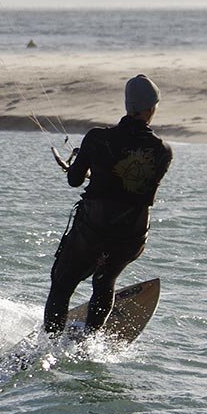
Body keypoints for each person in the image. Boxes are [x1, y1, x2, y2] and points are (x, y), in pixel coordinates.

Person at [43, 74, 173, 338]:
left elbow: (74, 180)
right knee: (105, 282)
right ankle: (91, 341)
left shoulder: (97, 138)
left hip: (94, 230)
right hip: (131, 236)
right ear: (151, 109)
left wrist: (83, 168)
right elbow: (135, 185)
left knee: (62, 285)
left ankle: (49, 344)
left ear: (128, 106)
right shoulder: (163, 150)